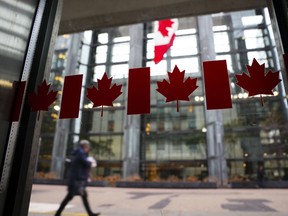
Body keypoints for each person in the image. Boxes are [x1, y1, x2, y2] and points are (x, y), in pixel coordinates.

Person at [55, 140, 100, 216]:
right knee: (69, 197)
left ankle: (90, 213)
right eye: (88, 147)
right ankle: (57, 214)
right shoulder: (81, 153)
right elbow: (84, 163)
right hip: (76, 180)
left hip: (76, 179)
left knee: (83, 196)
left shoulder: (78, 153)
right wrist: (90, 162)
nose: (88, 149)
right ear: (85, 146)